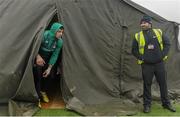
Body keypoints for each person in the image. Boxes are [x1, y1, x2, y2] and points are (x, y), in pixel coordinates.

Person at [132, 15, 176, 113]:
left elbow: (167, 43)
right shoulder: (137, 36)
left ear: (150, 24)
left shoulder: (158, 32)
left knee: (163, 84)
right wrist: (142, 58)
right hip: (146, 65)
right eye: (141, 23)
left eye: (145, 22)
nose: (142, 24)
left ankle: (166, 104)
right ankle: (147, 105)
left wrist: (162, 55)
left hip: (159, 63)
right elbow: (134, 50)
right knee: (147, 85)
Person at [33, 22, 64, 107]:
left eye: (62, 32)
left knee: (50, 75)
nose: (61, 34)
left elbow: (55, 55)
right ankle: (37, 98)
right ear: (54, 31)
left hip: (48, 58)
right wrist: (37, 57)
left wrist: (49, 68)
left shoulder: (60, 42)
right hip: (38, 56)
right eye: (59, 31)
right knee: (38, 75)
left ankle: (43, 91)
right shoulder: (44, 35)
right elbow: (34, 46)